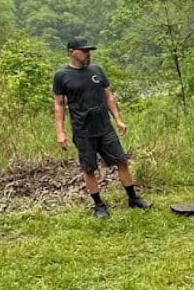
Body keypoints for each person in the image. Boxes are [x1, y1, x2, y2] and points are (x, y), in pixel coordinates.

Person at [52, 37, 150, 218]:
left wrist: (118, 120)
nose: (87, 54)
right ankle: (98, 205)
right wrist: (60, 132)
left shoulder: (97, 70)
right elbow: (59, 104)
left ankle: (133, 198)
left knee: (122, 162)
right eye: (83, 50)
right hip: (83, 131)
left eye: (89, 50)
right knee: (89, 169)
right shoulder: (61, 76)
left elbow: (108, 96)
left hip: (105, 128)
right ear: (71, 52)